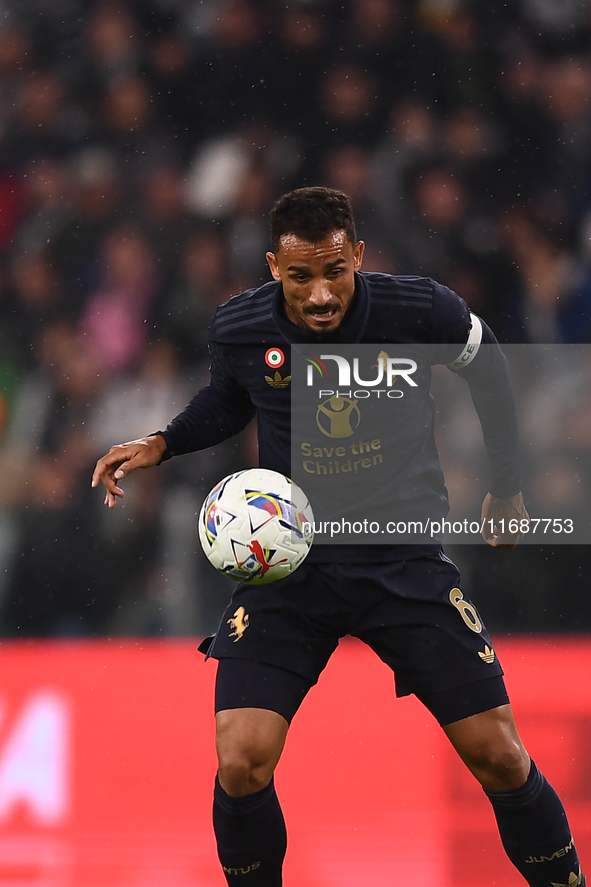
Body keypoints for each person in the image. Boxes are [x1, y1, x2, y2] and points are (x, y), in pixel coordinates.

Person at [92, 187, 585, 887]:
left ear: (357, 254)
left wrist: (506, 486)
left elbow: (491, 368)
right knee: (240, 761)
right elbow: (228, 400)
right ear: (273, 268)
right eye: (300, 277)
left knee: (500, 754)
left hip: (402, 560)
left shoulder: (420, 309)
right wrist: (162, 441)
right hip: (289, 567)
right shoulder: (239, 327)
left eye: (334, 271)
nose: (320, 294)